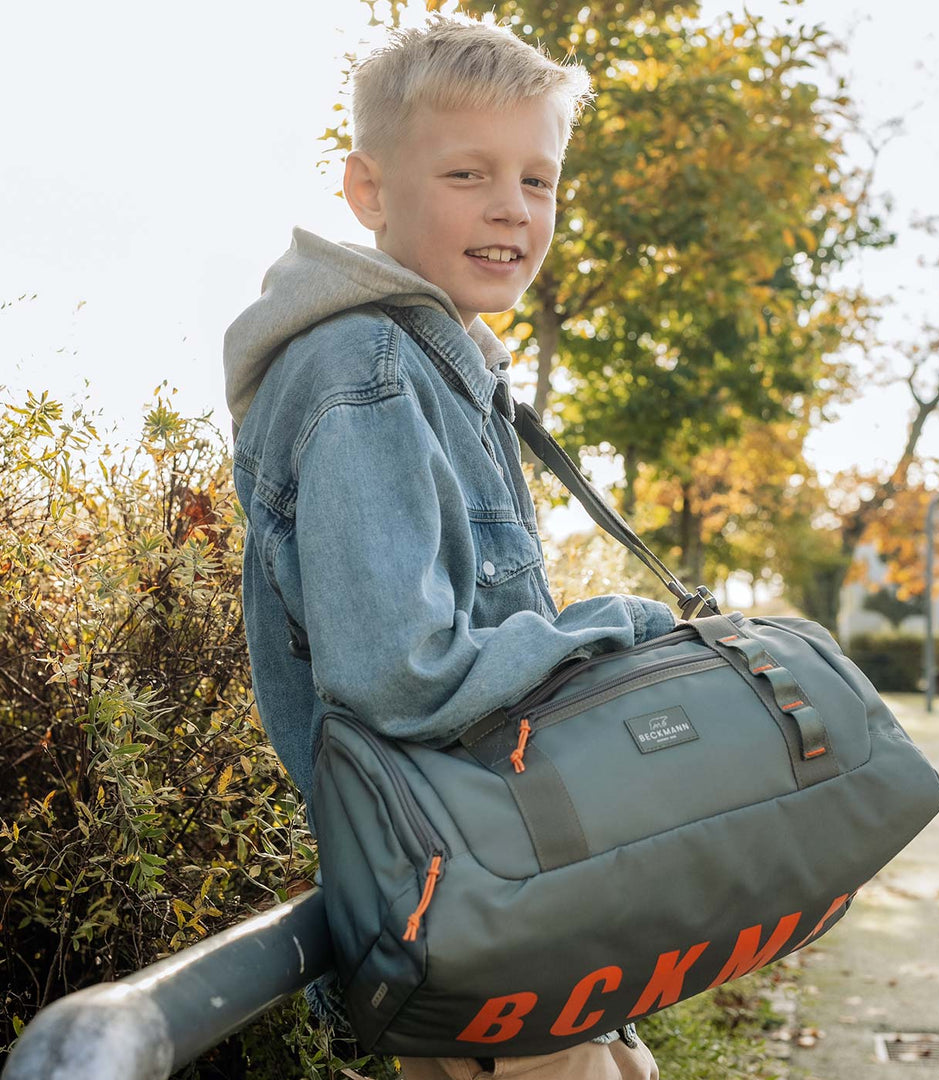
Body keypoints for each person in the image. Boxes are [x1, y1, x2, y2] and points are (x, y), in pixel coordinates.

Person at [224, 11, 671, 1079]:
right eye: (469, 173)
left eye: (539, 179)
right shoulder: (364, 370)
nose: (513, 207)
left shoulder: (442, 366)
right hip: (465, 906)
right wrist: (615, 633)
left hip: (506, 891)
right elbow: (398, 674)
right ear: (371, 191)